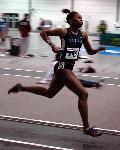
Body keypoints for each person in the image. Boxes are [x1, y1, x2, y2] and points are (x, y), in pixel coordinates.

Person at [8, 9, 105, 137]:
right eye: (79, 18)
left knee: (49, 93)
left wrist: (97, 50)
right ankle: (86, 127)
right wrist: (52, 45)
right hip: (61, 67)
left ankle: (22, 87)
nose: (81, 20)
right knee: (83, 93)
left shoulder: (84, 35)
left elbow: (90, 52)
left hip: (68, 69)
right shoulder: (63, 32)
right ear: (71, 20)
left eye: (82, 18)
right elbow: (43, 33)